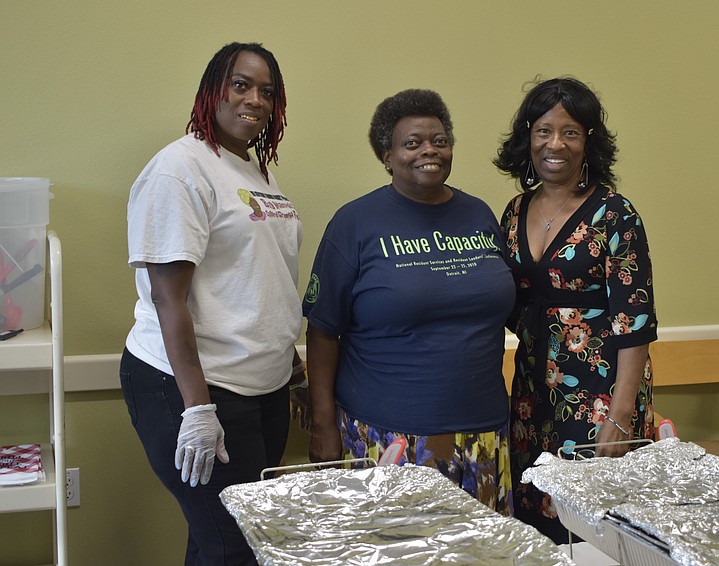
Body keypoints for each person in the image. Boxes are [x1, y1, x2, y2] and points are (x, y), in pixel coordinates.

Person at [121, 42, 304, 565]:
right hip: (191, 386)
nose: (256, 99)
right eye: (240, 84)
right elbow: (168, 297)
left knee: (217, 544)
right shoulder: (179, 169)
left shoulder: (254, 171)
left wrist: (287, 361)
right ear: (212, 90)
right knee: (239, 549)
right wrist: (198, 409)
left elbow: (258, 277)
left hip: (260, 386)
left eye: (267, 91)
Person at [302, 89, 515, 514]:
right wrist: (323, 423)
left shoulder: (479, 215)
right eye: (412, 143)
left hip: (483, 434)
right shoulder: (355, 223)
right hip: (389, 435)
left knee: (482, 557)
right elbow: (323, 331)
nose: (429, 151)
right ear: (387, 155)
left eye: (439, 140)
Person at [494, 77, 657, 543]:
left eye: (571, 132)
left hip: (602, 390)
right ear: (528, 136)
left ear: (589, 142)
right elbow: (503, 298)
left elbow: (635, 320)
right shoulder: (513, 211)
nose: (555, 143)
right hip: (531, 386)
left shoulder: (615, 214)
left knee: (593, 520)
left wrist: (621, 415)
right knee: (536, 515)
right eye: (544, 130)